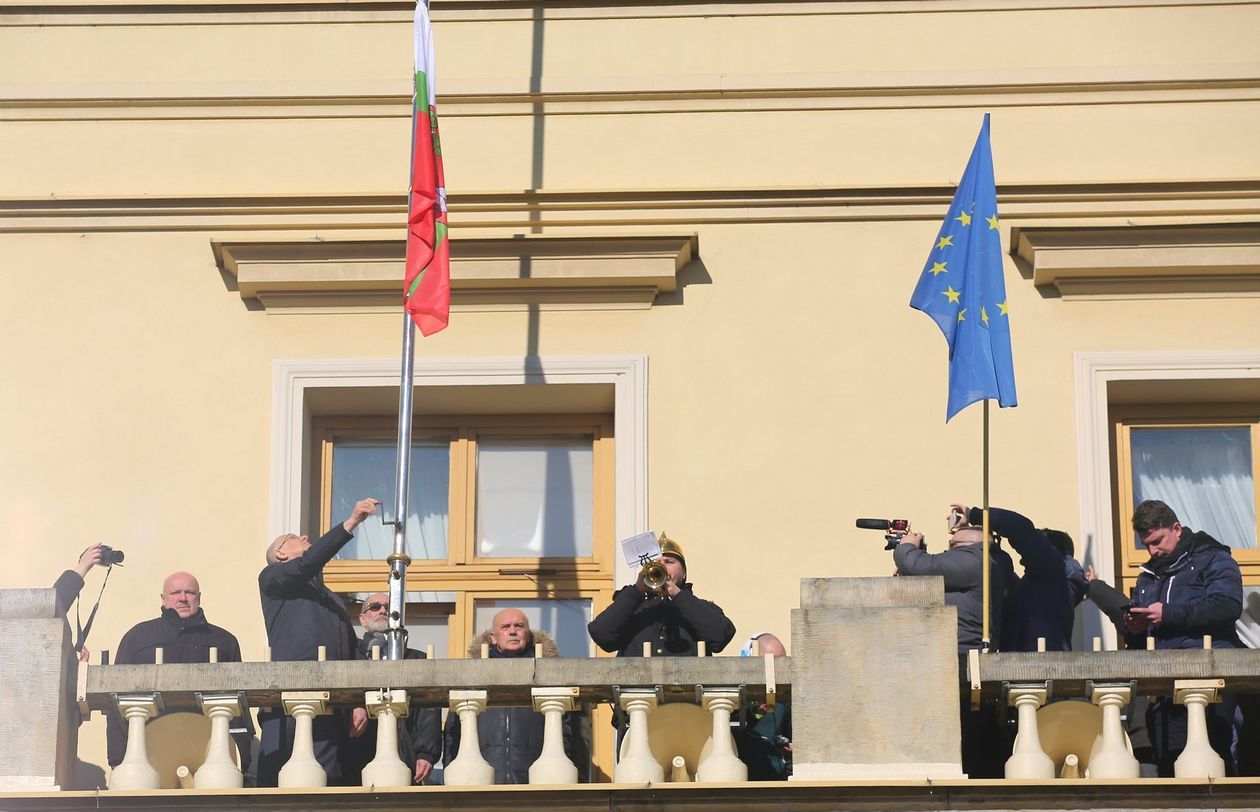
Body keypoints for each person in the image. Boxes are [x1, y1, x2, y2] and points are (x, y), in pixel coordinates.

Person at [256, 498, 378, 787]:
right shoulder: (273, 578)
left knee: (330, 786)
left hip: (334, 708)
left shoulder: (332, 600)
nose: (305, 538)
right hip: (294, 702)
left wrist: (359, 700)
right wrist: (351, 523)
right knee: (295, 785)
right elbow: (308, 564)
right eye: (296, 538)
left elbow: (353, 651)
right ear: (281, 553)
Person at [1123, 499, 1243, 775]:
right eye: (1146, 545)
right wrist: (1135, 628)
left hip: (1214, 680)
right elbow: (1147, 638)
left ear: (1177, 528)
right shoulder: (1148, 576)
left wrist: (1168, 614)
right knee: (1172, 762)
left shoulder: (1213, 557)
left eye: (1157, 541)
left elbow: (1227, 605)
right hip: (1167, 686)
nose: (1152, 551)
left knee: (1216, 760)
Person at [892, 511, 1014, 778]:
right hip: (960, 658)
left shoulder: (975, 561)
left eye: (952, 547)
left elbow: (920, 565)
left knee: (967, 741)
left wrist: (907, 546)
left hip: (960, 661)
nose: (947, 554)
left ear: (966, 548)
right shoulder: (992, 561)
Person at [105, 572, 249, 771]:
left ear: (199, 597)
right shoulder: (139, 637)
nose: (182, 598)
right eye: (175, 593)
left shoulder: (224, 641)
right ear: (163, 598)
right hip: (148, 754)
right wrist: (118, 759)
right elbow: (116, 702)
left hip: (210, 753)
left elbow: (237, 706)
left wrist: (243, 758)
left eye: (189, 592)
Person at [442, 608, 585, 784]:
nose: (512, 631)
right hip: (481, 780)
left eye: (519, 626)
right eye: (505, 626)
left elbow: (569, 734)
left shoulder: (550, 676)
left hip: (538, 781)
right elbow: (452, 732)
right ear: (493, 637)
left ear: (528, 634)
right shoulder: (471, 677)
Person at [338, 592, 442, 786]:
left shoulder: (416, 660)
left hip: (404, 756)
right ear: (363, 619)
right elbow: (337, 699)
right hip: (356, 755)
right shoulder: (349, 658)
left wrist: (425, 753)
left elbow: (428, 709)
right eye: (375, 607)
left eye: (389, 607)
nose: (383, 610)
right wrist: (358, 702)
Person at [950, 504, 1085, 652]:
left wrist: (975, 515)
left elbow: (1020, 528)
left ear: (1050, 550)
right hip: (1023, 665)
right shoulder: (1040, 586)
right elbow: (1002, 576)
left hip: (1039, 666)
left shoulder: (1053, 569)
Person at [587, 536, 736, 657]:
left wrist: (677, 594)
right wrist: (637, 590)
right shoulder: (632, 608)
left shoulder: (702, 607)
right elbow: (601, 634)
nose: (662, 566)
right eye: (656, 563)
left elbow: (720, 637)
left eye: (669, 562)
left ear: (684, 573)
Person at [735, 632, 792, 781]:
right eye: (772, 664)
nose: (776, 672)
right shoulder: (733, 693)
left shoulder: (785, 701)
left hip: (777, 782)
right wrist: (753, 711)